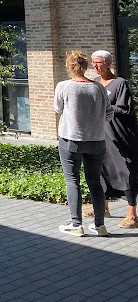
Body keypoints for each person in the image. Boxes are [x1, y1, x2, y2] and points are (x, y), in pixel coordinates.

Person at [54, 50, 113, 237]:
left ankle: (76, 224)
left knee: (73, 181)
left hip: (71, 139)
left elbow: (57, 108)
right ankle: (100, 225)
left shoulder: (64, 86)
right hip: (96, 141)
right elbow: (109, 114)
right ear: (86, 66)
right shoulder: (99, 88)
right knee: (95, 182)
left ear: (69, 66)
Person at [90, 50, 138, 229]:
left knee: (125, 170)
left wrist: (103, 105)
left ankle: (132, 214)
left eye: (98, 63)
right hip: (100, 135)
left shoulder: (120, 83)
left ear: (108, 63)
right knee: (101, 170)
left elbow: (125, 109)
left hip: (119, 135)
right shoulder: (94, 82)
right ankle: (103, 208)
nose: (95, 66)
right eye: (93, 63)